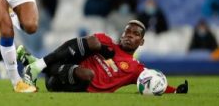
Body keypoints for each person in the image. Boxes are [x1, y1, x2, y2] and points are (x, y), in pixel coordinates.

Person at [18, 20, 188, 93]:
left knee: (88, 75)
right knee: (93, 43)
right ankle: (39, 65)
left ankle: (38, 64)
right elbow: (79, 46)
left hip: (63, 84)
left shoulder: (136, 68)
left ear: (141, 42)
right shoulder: (106, 41)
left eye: (135, 34)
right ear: (121, 34)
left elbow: (153, 81)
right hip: (65, 70)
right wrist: (100, 49)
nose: (129, 35)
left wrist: (174, 91)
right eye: (127, 31)